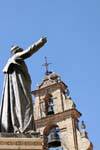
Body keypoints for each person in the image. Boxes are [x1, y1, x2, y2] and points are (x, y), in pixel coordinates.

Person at [0, 37, 47, 133]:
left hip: (17, 86)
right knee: (25, 104)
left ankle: (16, 126)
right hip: (20, 86)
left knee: (17, 105)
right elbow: (29, 51)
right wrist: (41, 42)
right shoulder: (16, 57)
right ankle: (26, 128)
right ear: (17, 51)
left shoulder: (11, 63)